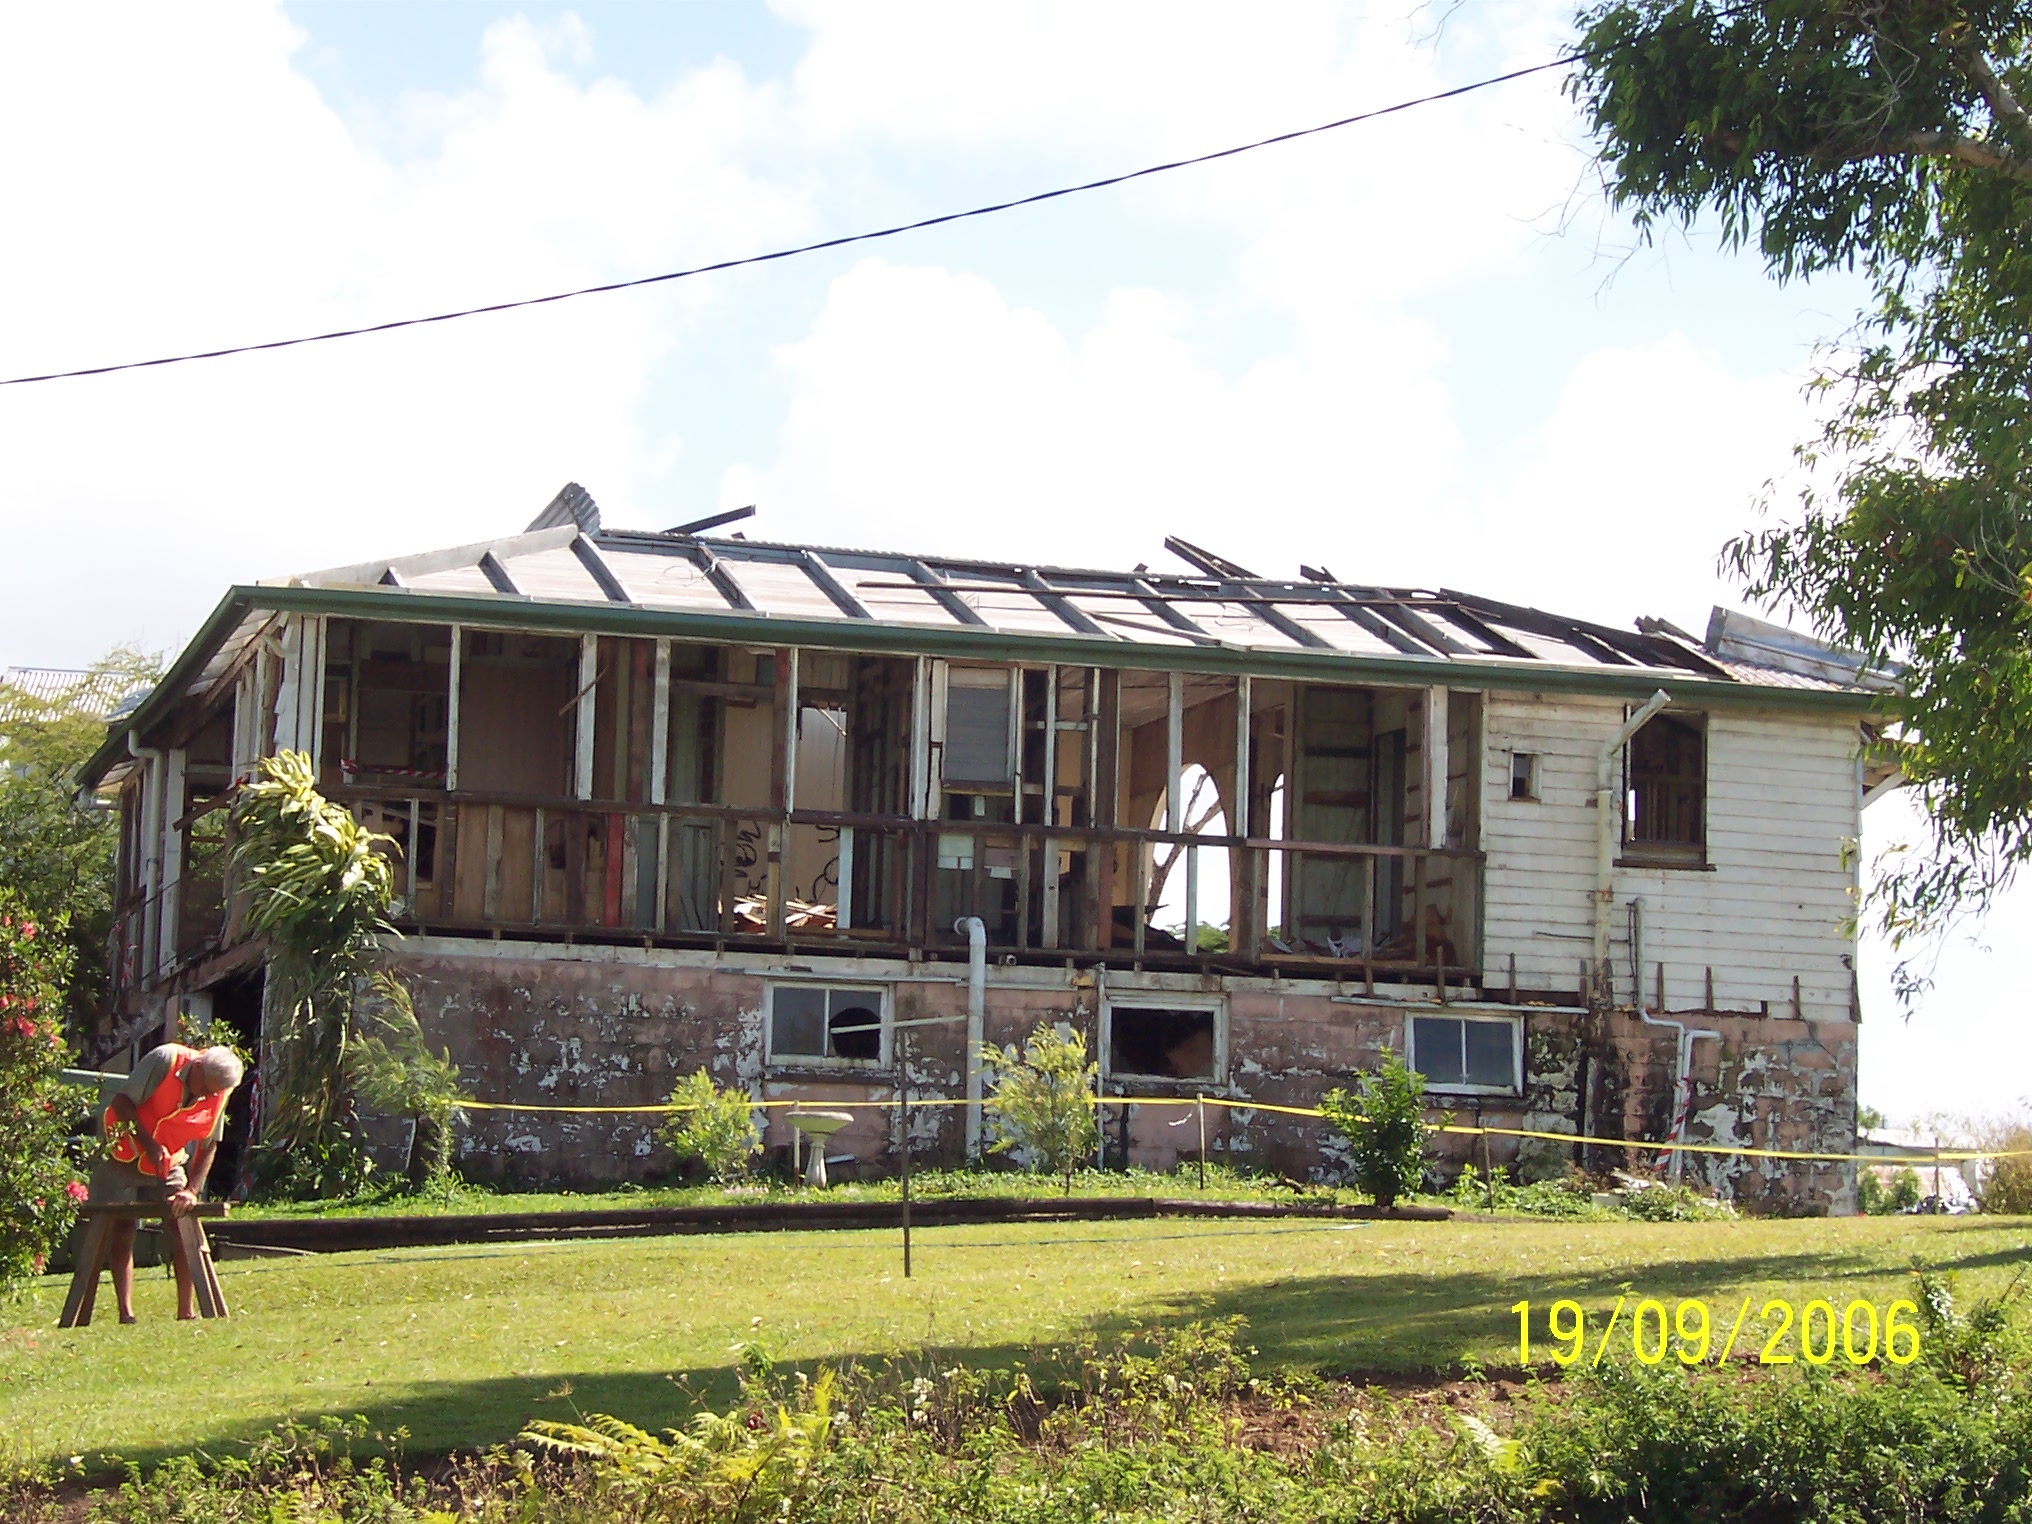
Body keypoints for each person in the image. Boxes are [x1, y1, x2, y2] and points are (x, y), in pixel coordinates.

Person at [88, 1042, 244, 1322]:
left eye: (214, 1092)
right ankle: (126, 1313)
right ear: (196, 1067)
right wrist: (148, 1144)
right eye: (205, 1088)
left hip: (168, 1162)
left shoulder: (219, 1088)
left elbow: (209, 1145)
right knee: (120, 1227)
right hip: (121, 1153)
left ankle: (187, 1312)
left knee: (181, 1224)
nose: (208, 1095)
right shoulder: (165, 1059)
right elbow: (122, 1103)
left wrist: (191, 1191)